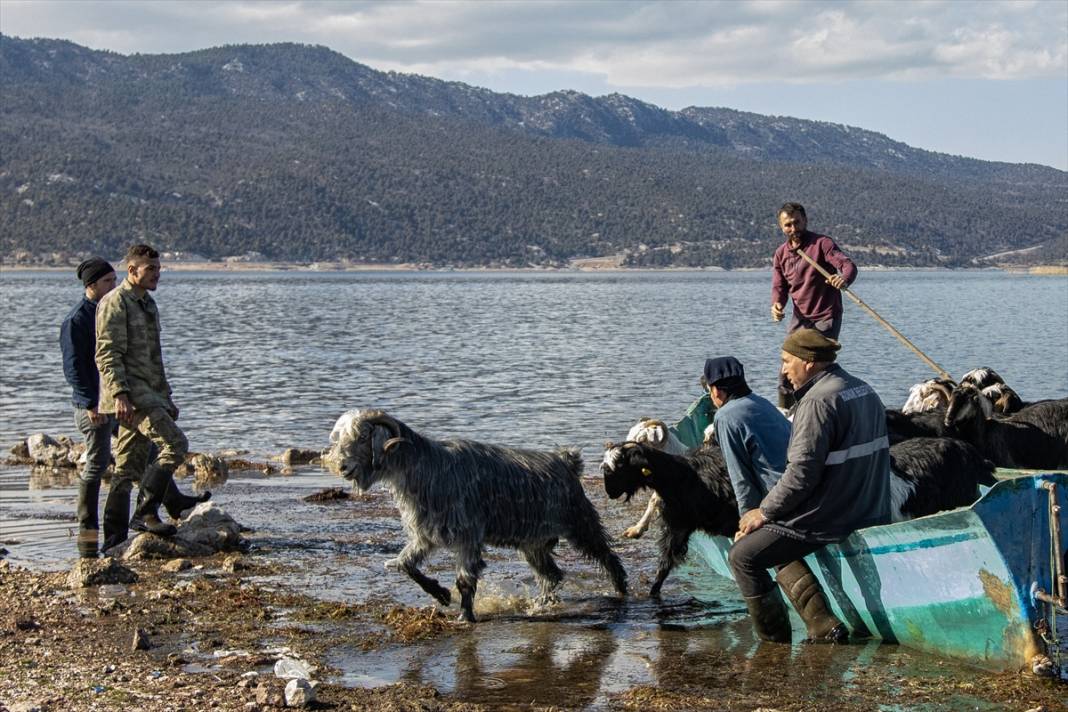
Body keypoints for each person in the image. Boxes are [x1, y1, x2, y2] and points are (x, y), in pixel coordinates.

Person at [728, 329, 890, 644]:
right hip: (871, 506)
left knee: (743, 555)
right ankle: (822, 621)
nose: (783, 370)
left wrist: (763, 511)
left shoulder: (817, 401)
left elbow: (801, 475)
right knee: (767, 539)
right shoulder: (863, 389)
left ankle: (775, 642)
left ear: (809, 362)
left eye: (787, 361)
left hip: (831, 515)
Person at [96, 244, 207, 541]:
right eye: (151, 270)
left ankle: (113, 541)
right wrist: (119, 394)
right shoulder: (115, 302)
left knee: (127, 467)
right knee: (176, 445)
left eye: (158, 269)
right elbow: (107, 353)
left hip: (150, 393)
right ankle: (145, 513)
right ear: (132, 271)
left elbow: (154, 358)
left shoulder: (146, 303)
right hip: (131, 396)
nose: (157, 275)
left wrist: (166, 397)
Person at [770, 202, 857, 407]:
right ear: (781, 227)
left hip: (826, 317)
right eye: (788, 225)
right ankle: (786, 414)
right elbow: (779, 286)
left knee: (816, 368)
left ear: (805, 221)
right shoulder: (781, 254)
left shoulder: (822, 244)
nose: (793, 228)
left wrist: (843, 279)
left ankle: (822, 407)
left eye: (797, 223)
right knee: (786, 371)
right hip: (800, 320)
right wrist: (777, 305)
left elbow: (847, 265)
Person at [61, 258, 119, 557]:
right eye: (108, 281)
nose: (114, 286)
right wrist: (90, 404)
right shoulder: (76, 320)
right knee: (97, 462)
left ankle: (169, 502)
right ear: (91, 285)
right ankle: (87, 525)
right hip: (93, 406)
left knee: (147, 448)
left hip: (116, 400)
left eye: (115, 279)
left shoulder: (109, 312)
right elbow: (73, 368)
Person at [702, 356, 791, 518]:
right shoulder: (762, 402)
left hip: (780, 501)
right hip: (802, 489)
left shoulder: (725, 416)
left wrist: (748, 518)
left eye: (708, 390)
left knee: (743, 544)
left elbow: (740, 476)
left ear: (716, 391)